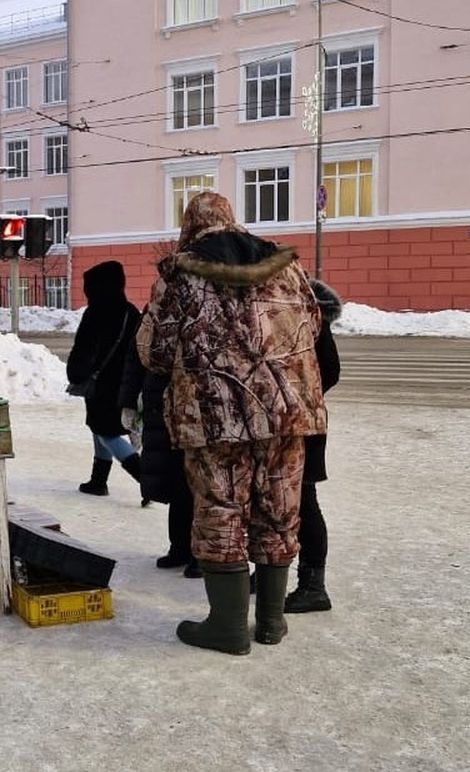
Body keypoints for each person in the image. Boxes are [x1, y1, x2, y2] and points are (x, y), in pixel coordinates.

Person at [137, 192, 326, 655]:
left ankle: (227, 627)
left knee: (222, 509)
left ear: (191, 226)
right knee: (279, 508)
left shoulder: (180, 276)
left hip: (215, 415)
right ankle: (271, 621)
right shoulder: (287, 267)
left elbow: (154, 351)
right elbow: (314, 327)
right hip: (288, 411)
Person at [66, 260, 148, 504]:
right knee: (100, 428)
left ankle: (143, 477)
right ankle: (98, 481)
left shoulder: (96, 312)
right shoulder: (131, 312)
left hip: (101, 385)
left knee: (107, 433)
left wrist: (76, 373)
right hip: (126, 384)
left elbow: (83, 348)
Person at [119, 340, 201, 578]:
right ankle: (180, 547)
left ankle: (202, 553)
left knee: (201, 484)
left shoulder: (208, 306)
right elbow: (136, 355)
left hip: (199, 405)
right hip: (161, 403)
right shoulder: (156, 311)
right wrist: (128, 400)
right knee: (174, 479)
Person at [286, 279, 342, 613]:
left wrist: (297, 395)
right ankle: (267, 571)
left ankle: (312, 585)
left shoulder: (309, 316)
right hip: (285, 425)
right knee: (272, 503)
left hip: (303, 425)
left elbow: (330, 371)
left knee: (304, 502)